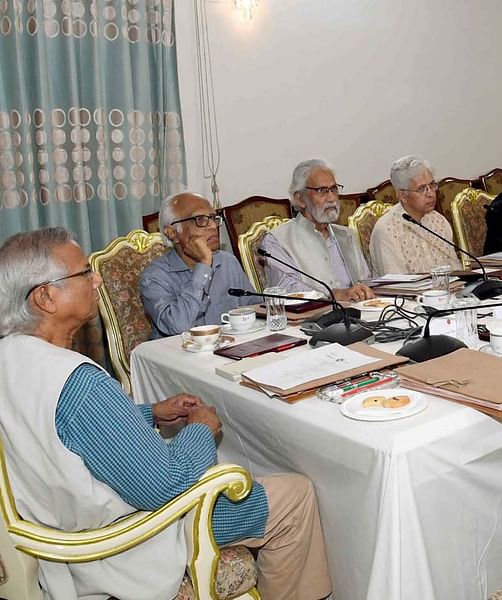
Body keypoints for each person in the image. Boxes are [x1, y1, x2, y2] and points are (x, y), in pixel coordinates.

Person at [0, 228, 331, 600]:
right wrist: (200, 430)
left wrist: (149, 414)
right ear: (45, 296)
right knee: (295, 494)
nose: (96, 280)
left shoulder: (13, 357)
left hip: (53, 536)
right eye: (83, 273)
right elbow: (166, 486)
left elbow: (58, 432)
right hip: (125, 545)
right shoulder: (77, 380)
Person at [140, 192, 255, 339]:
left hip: (229, 350)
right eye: (200, 219)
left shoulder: (227, 262)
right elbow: (178, 326)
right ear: (172, 233)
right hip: (181, 357)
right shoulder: (154, 276)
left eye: (213, 218)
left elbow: (254, 310)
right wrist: (203, 266)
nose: (213, 226)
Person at [260, 159, 374, 302]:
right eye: (322, 191)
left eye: (334, 189)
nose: (332, 198)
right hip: (312, 320)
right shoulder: (278, 241)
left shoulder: (347, 235)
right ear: (300, 199)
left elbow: (366, 281)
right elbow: (287, 290)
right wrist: (332, 296)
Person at [369, 155, 462, 276]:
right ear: (403, 195)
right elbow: (396, 285)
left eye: (432, 185)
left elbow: (456, 269)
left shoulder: (438, 220)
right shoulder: (386, 230)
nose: (431, 194)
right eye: (421, 189)